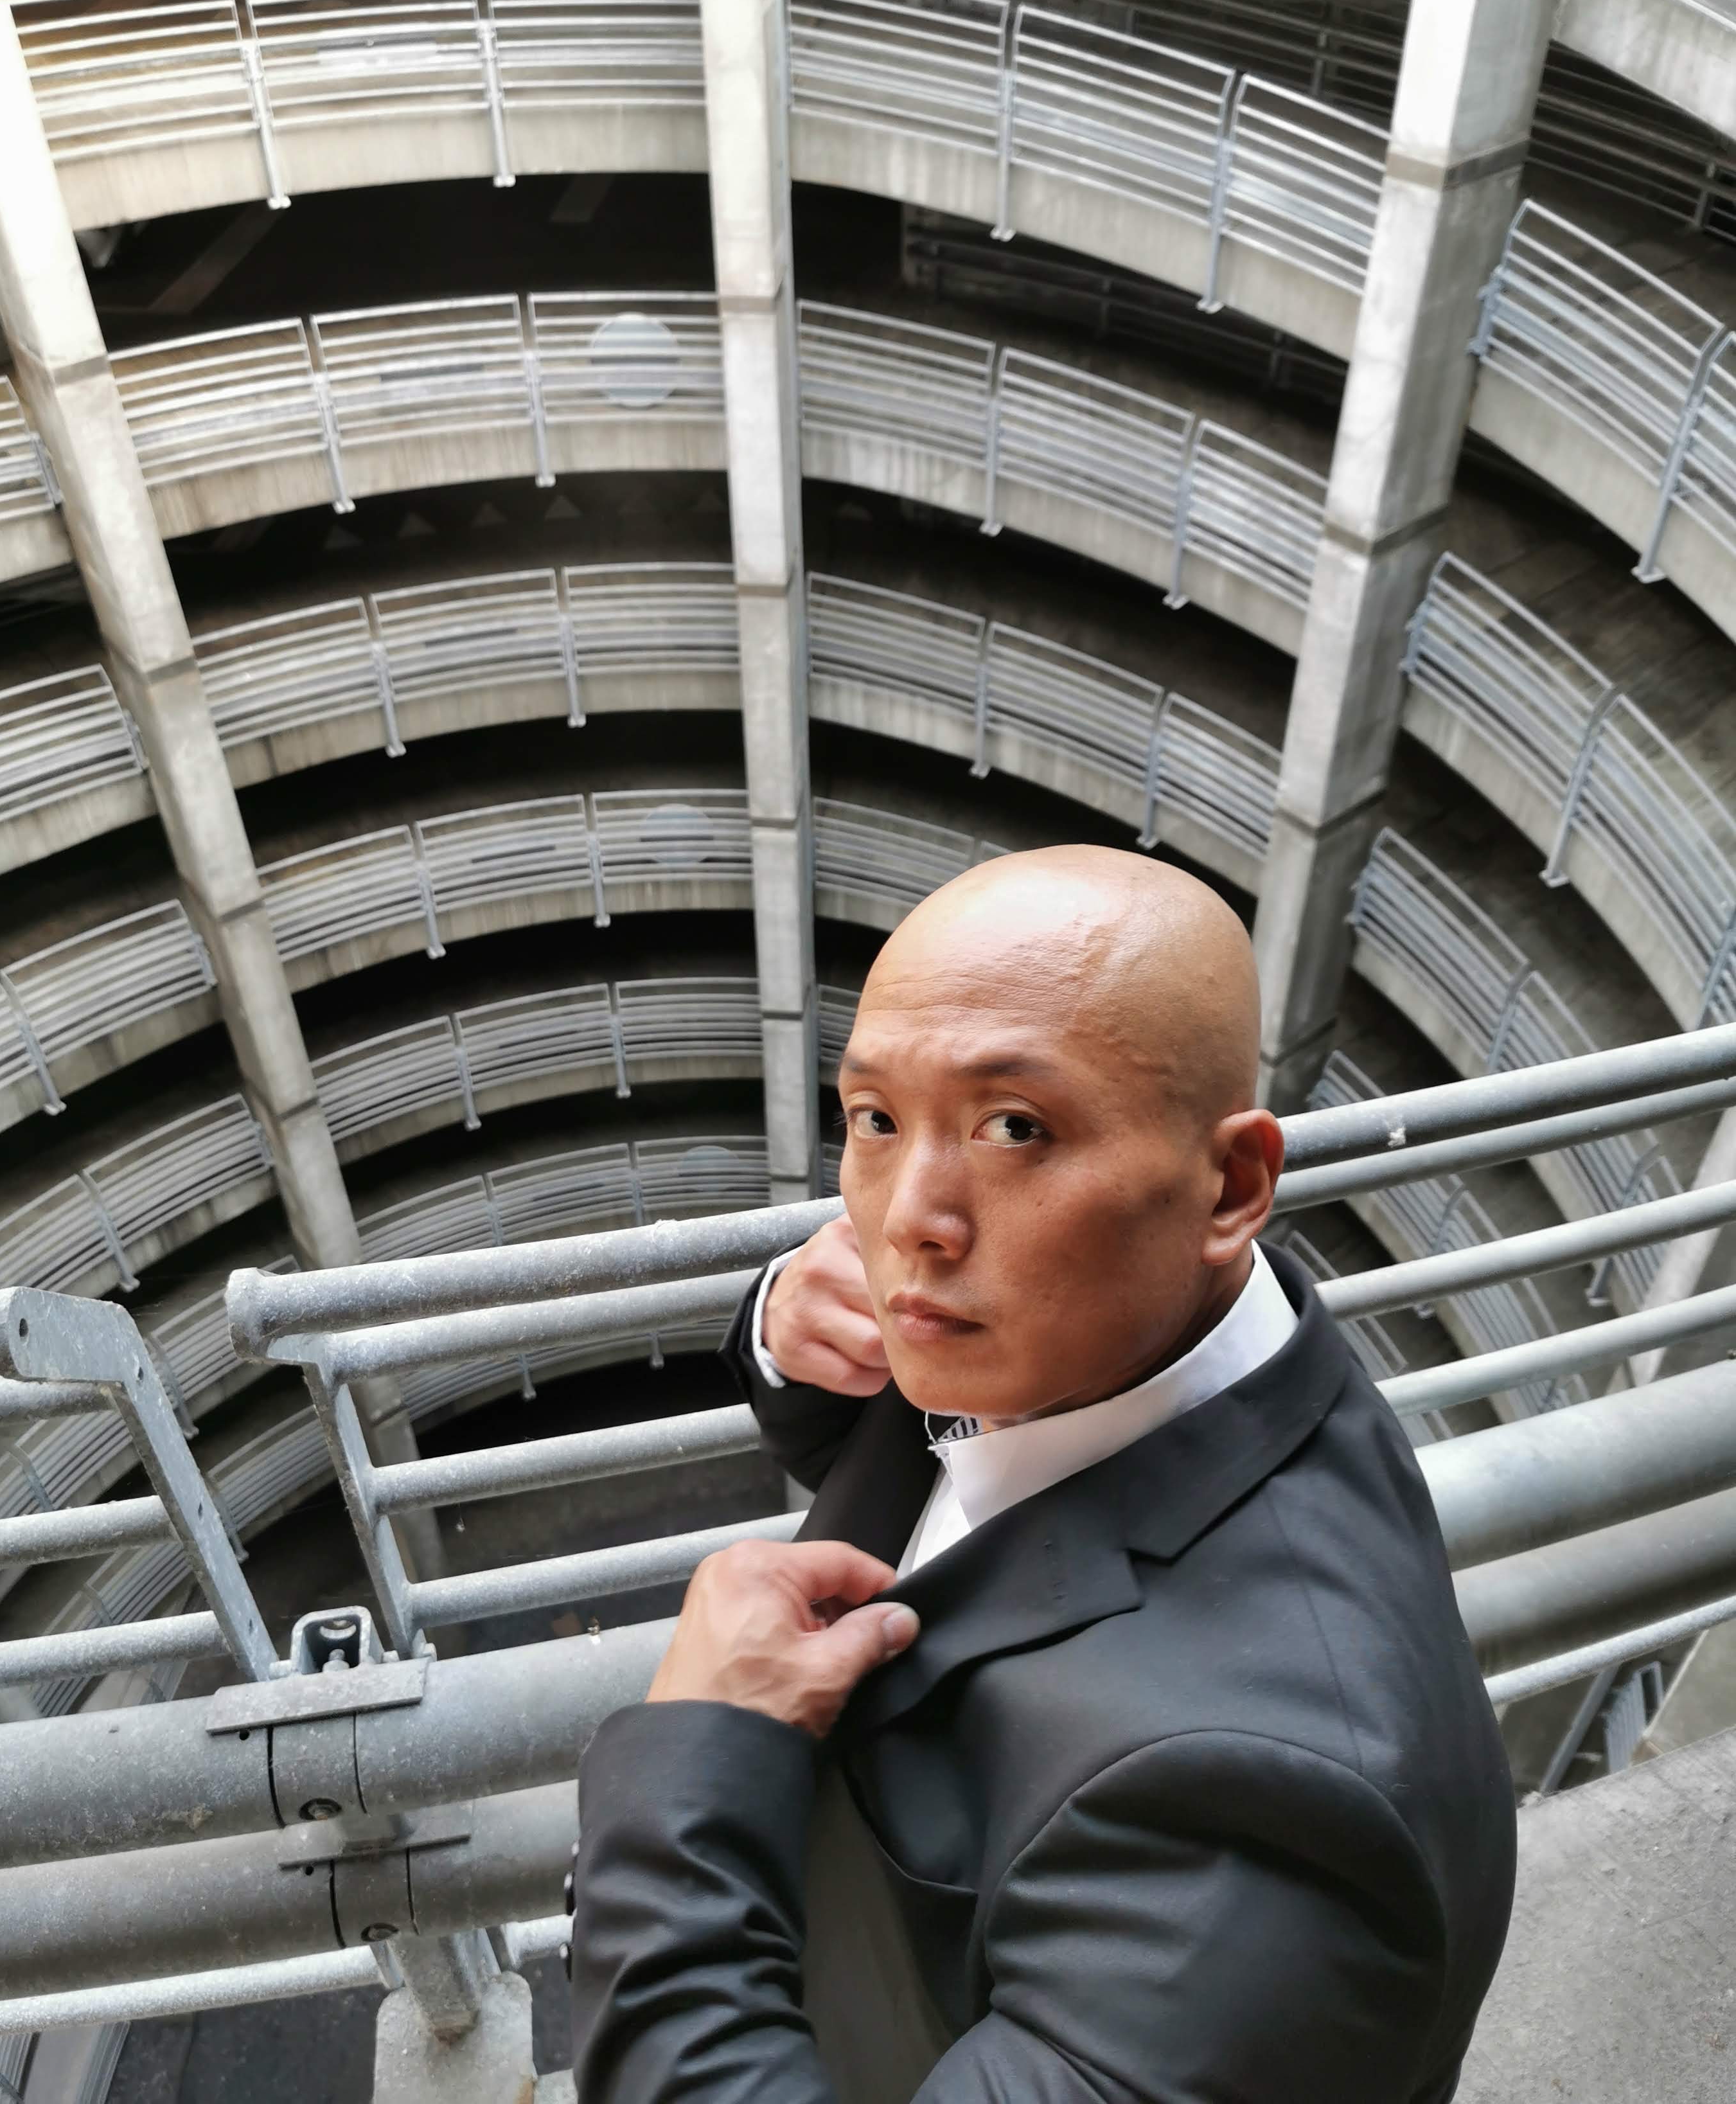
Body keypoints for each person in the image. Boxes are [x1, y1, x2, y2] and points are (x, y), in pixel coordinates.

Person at [569, 846, 1516, 2103]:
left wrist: (696, 1758)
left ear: (1231, 1186)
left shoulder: (1266, 1828)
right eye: (875, 1119)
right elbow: (917, 1472)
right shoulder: (1118, 1330)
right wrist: (786, 1329)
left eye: (1015, 1128)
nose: (904, 1219)